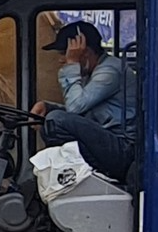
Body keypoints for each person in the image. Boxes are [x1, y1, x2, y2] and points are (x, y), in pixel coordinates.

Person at [31, 20, 135, 182]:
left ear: (84, 53)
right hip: (107, 140)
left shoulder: (110, 71)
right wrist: (48, 107)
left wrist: (72, 64)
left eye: (64, 54)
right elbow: (83, 112)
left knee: (55, 120)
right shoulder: (91, 73)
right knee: (51, 117)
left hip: (122, 148)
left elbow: (75, 107)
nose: (61, 61)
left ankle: (95, 175)